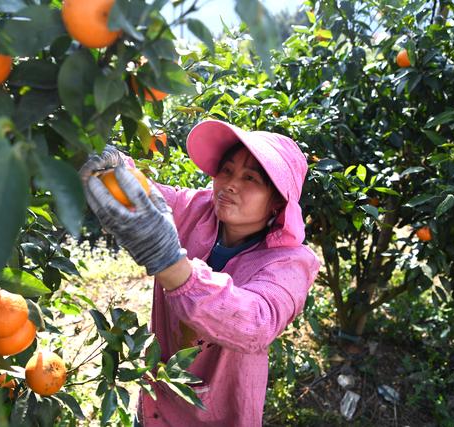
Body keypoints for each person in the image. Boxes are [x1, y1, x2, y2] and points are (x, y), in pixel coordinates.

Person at [80, 120, 320, 427]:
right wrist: (113, 167)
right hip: (158, 395)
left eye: (251, 178)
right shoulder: (197, 208)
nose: (231, 184)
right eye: (227, 171)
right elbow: (146, 195)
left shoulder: (289, 263)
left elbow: (258, 322)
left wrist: (171, 264)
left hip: (218, 410)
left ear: (277, 202)